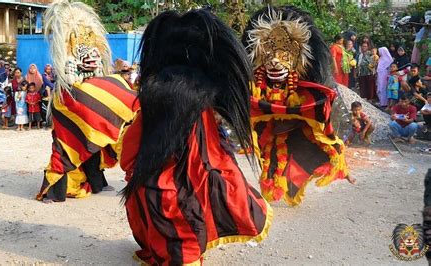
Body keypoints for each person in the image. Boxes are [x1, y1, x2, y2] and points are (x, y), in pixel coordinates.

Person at [121, 7, 272, 265]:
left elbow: (132, 145)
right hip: (186, 170)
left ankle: (185, 253)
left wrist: (132, 166)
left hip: (165, 172)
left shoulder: (159, 95)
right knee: (186, 203)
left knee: (169, 204)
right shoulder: (198, 98)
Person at [242, 6, 353, 207]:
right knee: (270, 160)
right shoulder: (257, 85)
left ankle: (335, 169)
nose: (275, 61)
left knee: (308, 151)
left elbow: (321, 113)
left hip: (295, 127)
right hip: (270, 129)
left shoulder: (307, 90)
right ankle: (272, 188)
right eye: (269, 55)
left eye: (284, 55)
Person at [36, 0, 138, 203]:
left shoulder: (98, 62)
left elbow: (101, 73)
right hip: (71, 98)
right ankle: (53, 189)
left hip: (89, 88)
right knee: (67, 145)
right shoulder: (71, 61)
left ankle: (96, 180)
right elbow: (71, 80)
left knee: (95, 140)